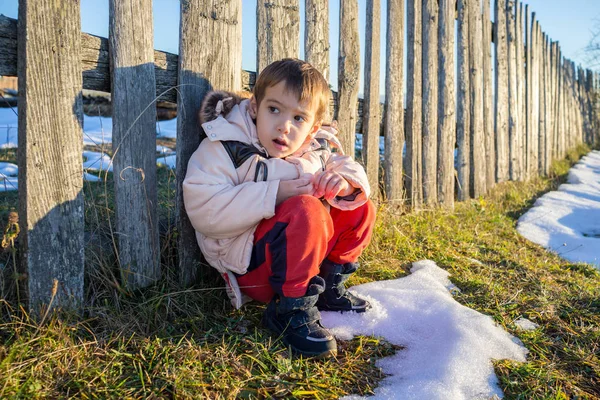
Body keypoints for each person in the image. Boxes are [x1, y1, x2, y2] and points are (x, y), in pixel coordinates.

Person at [183, 58, 376, 358]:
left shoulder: (316, 150)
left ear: (312, 130)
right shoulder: (225, 145)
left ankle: (327, 287)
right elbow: (204, 209)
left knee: (358, 205)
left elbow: (350, 171)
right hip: (251, 268)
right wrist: (272, 194)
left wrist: (343, 183)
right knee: (306, 210)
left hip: (298, 260)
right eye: (274, 110)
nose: (284, 126)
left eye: (299, 119)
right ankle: (290, 311)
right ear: (254, 108)